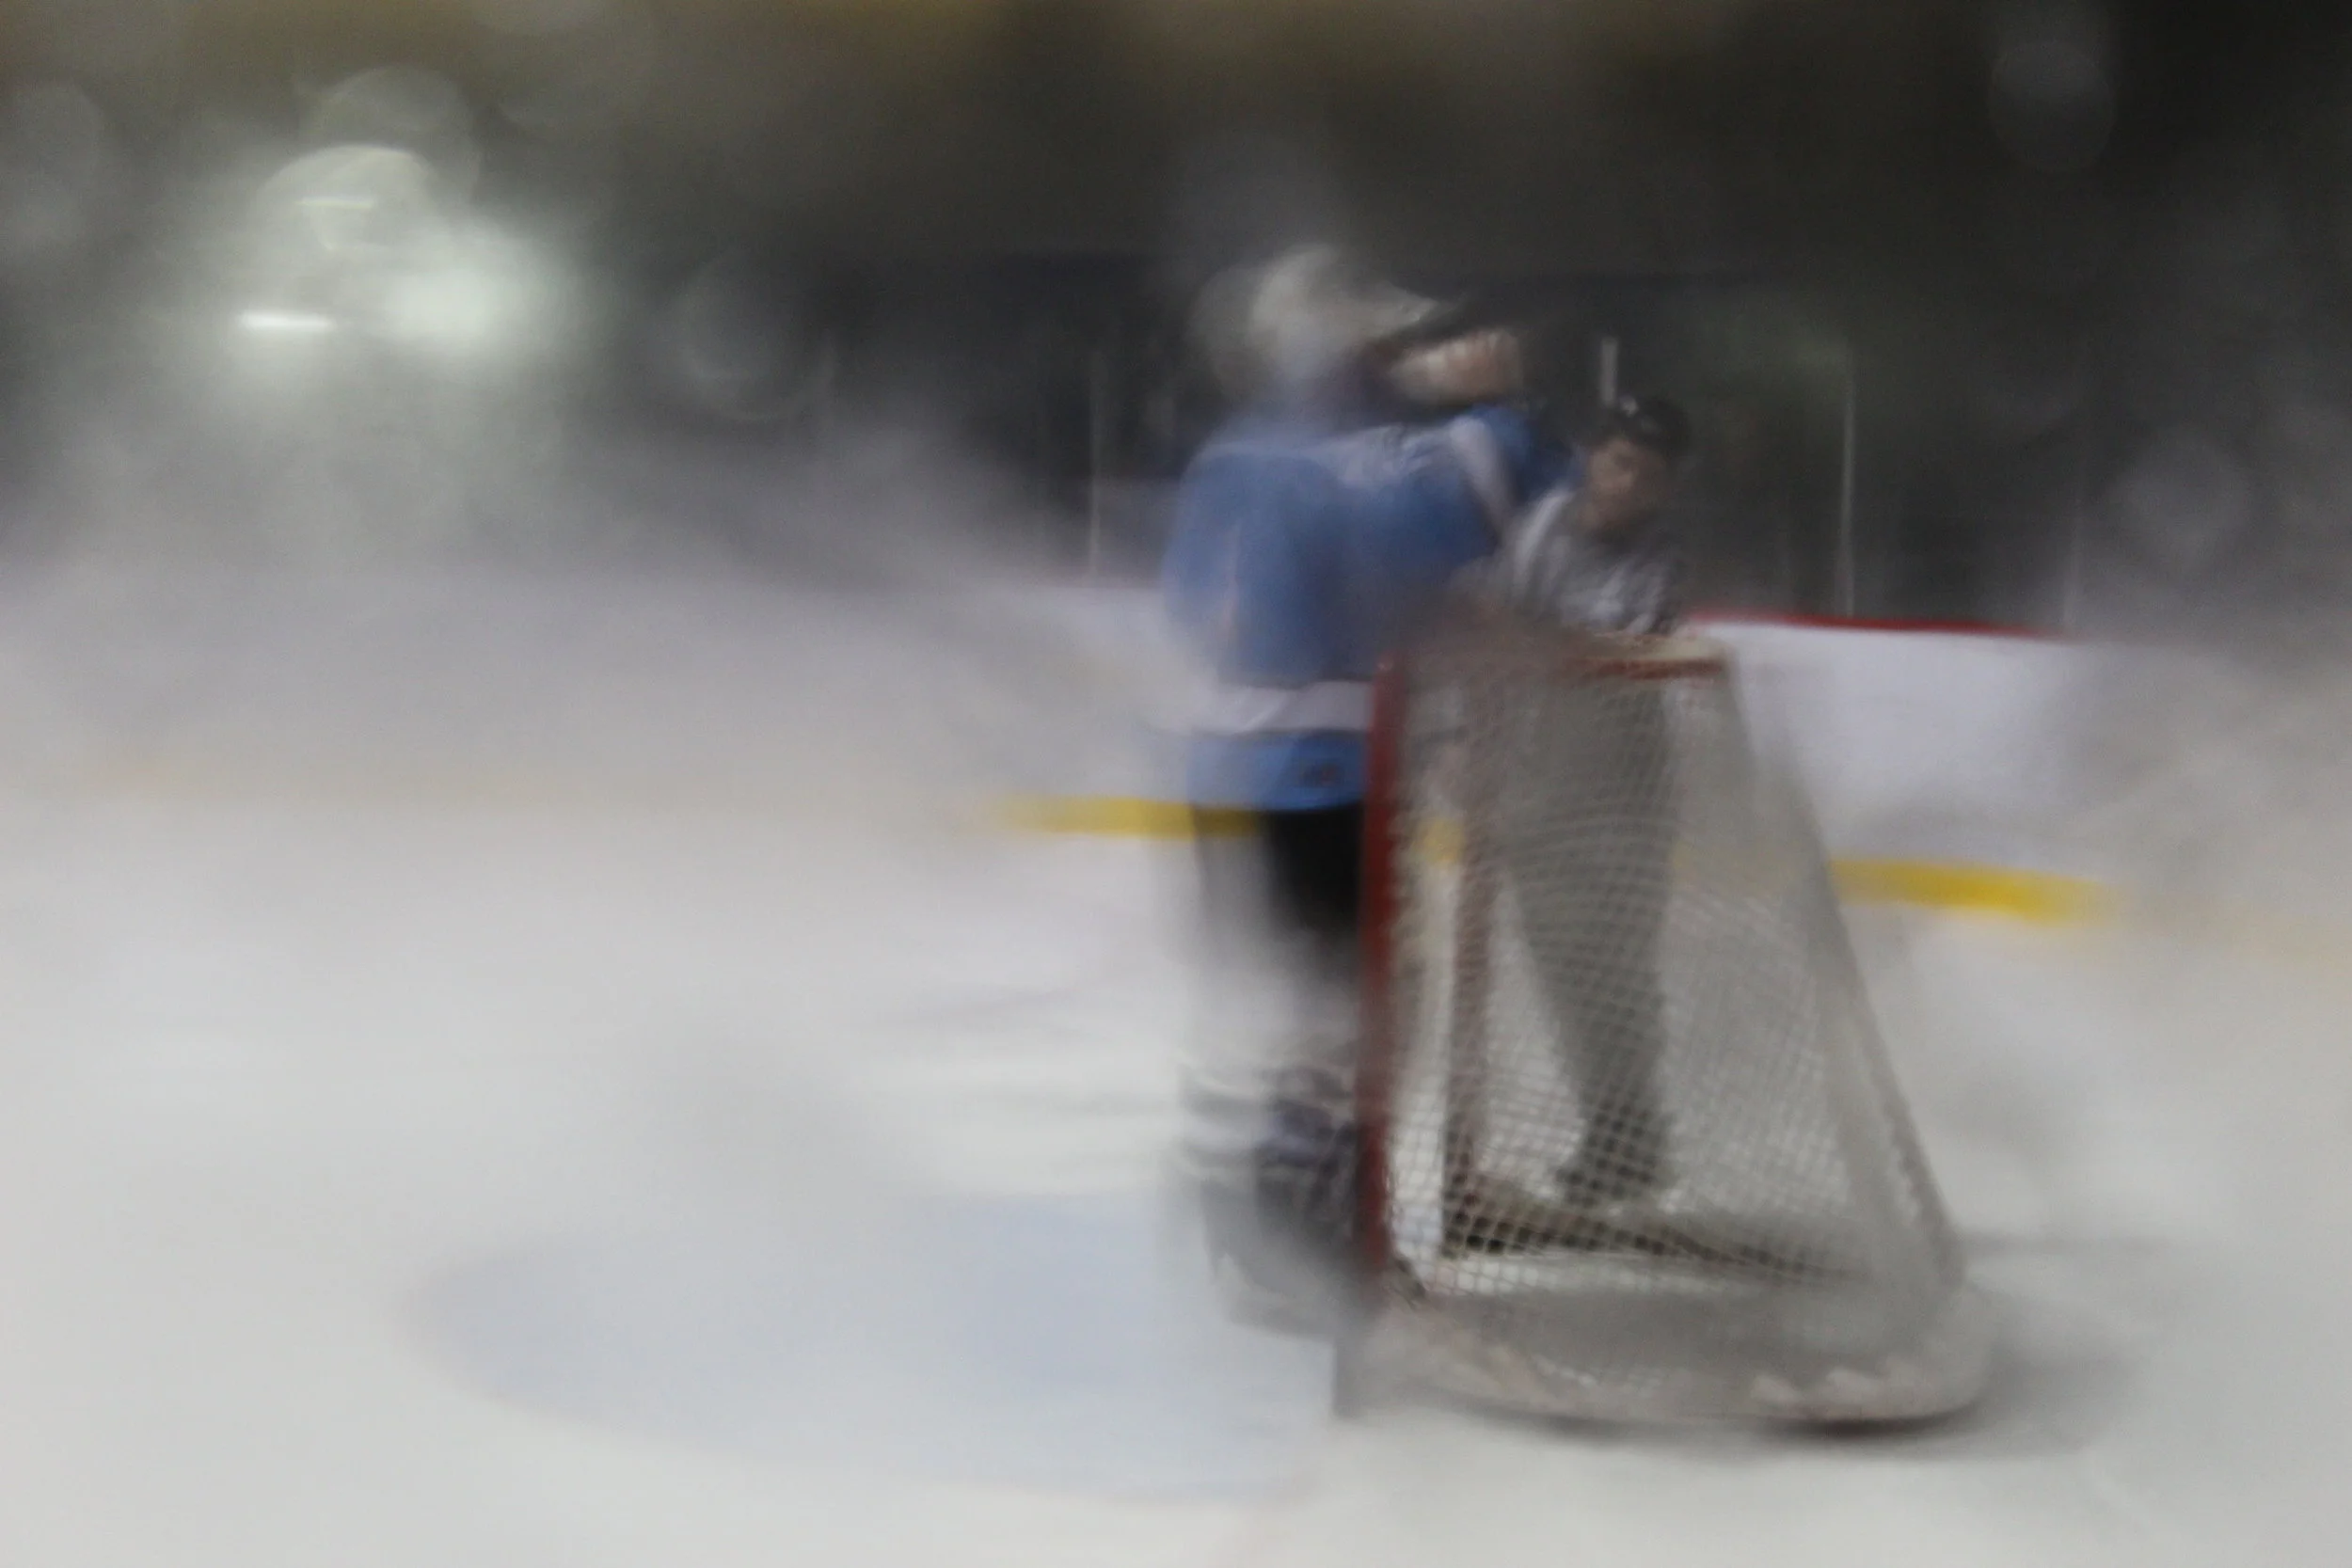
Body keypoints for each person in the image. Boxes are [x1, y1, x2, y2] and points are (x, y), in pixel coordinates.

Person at [1159, 246, 1558, 1318]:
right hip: (1306, 782)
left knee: (1278, 1009)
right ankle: (1298, 1243)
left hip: (1242, 777)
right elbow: (1453, 509)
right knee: (1331, 1018)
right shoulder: (1331, 461)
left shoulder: (1236, 457)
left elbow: (1213, 608)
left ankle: (1250, 1220)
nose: (1397, 358)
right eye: (1377, 345)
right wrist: (1493, 406)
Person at [1463, 392, 1695, 1210]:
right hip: (1538, 788)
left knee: (1615, 970)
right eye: (1619, 460)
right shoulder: (1540, 526)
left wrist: (1537, 641)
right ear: (1592, 455)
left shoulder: (1663, 558)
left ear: (1666, 487)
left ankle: (1630, 1137)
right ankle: (1616, 1132)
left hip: (1624, 797)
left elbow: (1621, 654)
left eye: (1648, 473)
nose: (1627, 482)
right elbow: (1492, 618)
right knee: (1564, 967)